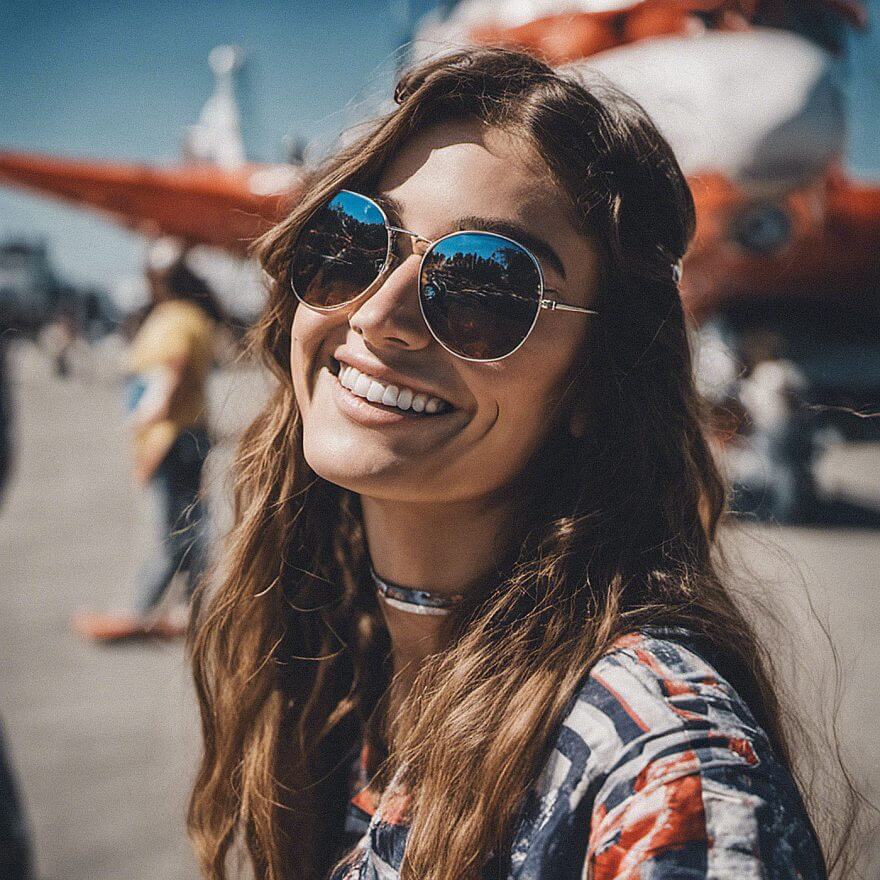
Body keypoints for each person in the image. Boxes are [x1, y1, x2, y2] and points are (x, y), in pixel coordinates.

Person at [187, 49, 846, 880]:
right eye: (353, 240)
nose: (380, 315)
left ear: (595, 384)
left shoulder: (661, 767)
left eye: (483, 286)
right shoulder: (330, 665)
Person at [74, 246, 221, 641]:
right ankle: (192, 606)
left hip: (171, 439)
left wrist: (143, 418)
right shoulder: (191, 317)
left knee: (172, 530)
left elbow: (168, 376)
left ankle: (142, 610)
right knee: (188, 525)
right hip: (185, 435)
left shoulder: (174, 319)